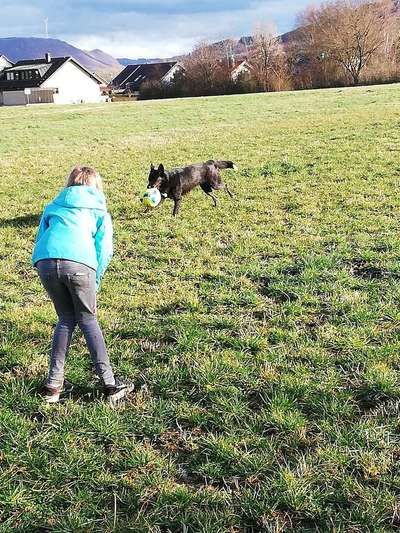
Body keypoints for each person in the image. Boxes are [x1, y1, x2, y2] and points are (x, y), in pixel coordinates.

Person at [32, 166, 132, 405]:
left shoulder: (53, 206)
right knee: (88, 319)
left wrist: (41, 265)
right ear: (95, 186)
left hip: (45, 262)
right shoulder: (99, 209)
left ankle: (53, 387)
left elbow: (39, 238)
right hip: (80, 264)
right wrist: (95, 278)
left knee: (66, 318)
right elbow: (104, 249)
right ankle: (109, 385)